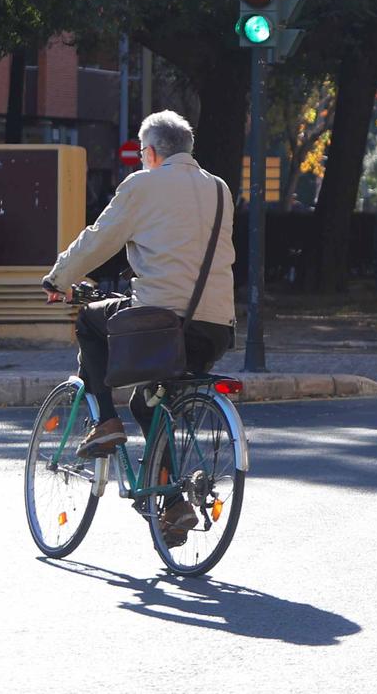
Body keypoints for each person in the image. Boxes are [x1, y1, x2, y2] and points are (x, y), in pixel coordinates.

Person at [41, 111, 236, 501]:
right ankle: (173, 504)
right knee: (149, 404)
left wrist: (58, 279)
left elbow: (99, 239)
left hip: (160, 324)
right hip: (215, 329)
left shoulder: (143, 185)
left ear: (149, 152)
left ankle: (107, 423)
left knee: (88, 321)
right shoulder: (220, 189)